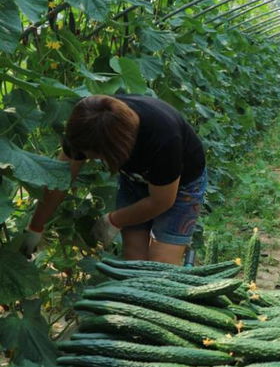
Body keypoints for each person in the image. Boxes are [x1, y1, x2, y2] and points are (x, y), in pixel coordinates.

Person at [21, 94, 207, 265]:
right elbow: (59, 179)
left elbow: (162, 200)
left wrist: (114, 220)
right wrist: (36, 226)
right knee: (134, 261)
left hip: (182, 185)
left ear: (115, 151)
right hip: (134, 180)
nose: (89, 158)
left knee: (161, 266)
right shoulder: (89, 124)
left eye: (95, 156)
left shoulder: (162, 138)